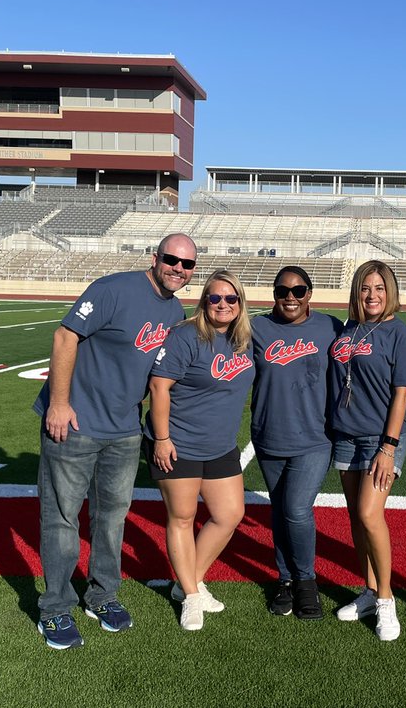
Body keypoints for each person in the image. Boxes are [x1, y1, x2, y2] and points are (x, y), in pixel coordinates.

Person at [33, 233, 196, 650]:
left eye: (187, 264)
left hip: (124, 430)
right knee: (62, 519)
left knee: (111, 519)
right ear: (155, 257)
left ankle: (102, 596)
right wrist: (59, 403)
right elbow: (64, 337)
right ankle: (55, 608)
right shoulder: (113, 288)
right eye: (172, 259)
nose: (178, 268)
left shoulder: (175, 307)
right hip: (75, 423)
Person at [147, 269, 255, 632]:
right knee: (181, 517)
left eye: (230, 298)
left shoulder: (244, 339)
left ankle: (187, 581)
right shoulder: (186, 336)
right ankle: (192, 595)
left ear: (240, 303)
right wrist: (162, 439)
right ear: (204, 300)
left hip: (221, 445)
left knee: (229, 514)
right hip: (179, 444)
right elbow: (159, 388)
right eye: (214, 297)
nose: (222, 305)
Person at [330, 260, 406, 642]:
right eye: (366, 288)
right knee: (356, 517)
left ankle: (386, 599)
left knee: (370, 513)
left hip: (380, 438)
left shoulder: (398, 333)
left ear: (391, 293)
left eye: (380, 288)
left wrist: (388, 446)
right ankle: (368, 590)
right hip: (345, 435)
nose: (372, 295)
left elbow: (402, 393)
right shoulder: (348, 329)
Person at [250, 266, 343, 619]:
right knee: (279, 509)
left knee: (297, 509)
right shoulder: (256, 327)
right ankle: (285, 579)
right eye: (283, 290)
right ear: (274, 294)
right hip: (268, 435)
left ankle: (306, 580)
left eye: (299, 290)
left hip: (314, 438)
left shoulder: (330, 327)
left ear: (310, 294)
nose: (291, 297)